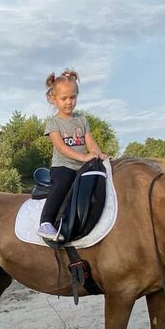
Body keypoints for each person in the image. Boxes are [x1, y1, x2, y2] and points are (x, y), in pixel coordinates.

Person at [37, 69, 107, 241]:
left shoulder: (82, 120)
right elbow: (61, 147)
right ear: (53, 99)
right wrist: (83, 157)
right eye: (64, 98)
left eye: (72, 97)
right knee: (63, 184)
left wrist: (99, 155)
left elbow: (90, 143)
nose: (69, 102)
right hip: (63, 166)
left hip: (82, 167)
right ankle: (45, 222)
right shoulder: (53, 122)